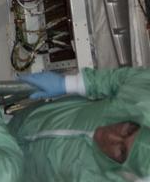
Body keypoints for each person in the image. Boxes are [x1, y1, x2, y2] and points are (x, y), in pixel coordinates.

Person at [9, 67, 150, 181]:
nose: (112, 136)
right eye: (129, 131)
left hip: (12, 171)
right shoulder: (141, 101)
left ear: (124, 168)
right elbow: (130, 79)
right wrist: (69, 84)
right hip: (30, 118)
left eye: (122, 150)